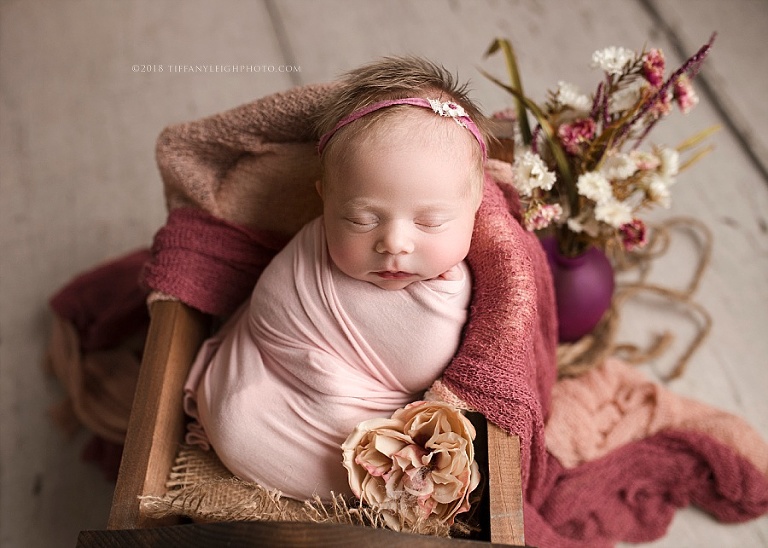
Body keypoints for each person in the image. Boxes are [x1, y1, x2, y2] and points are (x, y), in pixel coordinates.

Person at [183, 56, 493, 500]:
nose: (395, 243)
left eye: (430, 222)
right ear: (325, 200)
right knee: (235, 418)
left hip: (345, 436)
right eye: (362, 219)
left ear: (477, 202)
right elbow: (273, 307)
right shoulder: (311, 252)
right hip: (270, 373)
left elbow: (427, 370)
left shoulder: (468, 285)